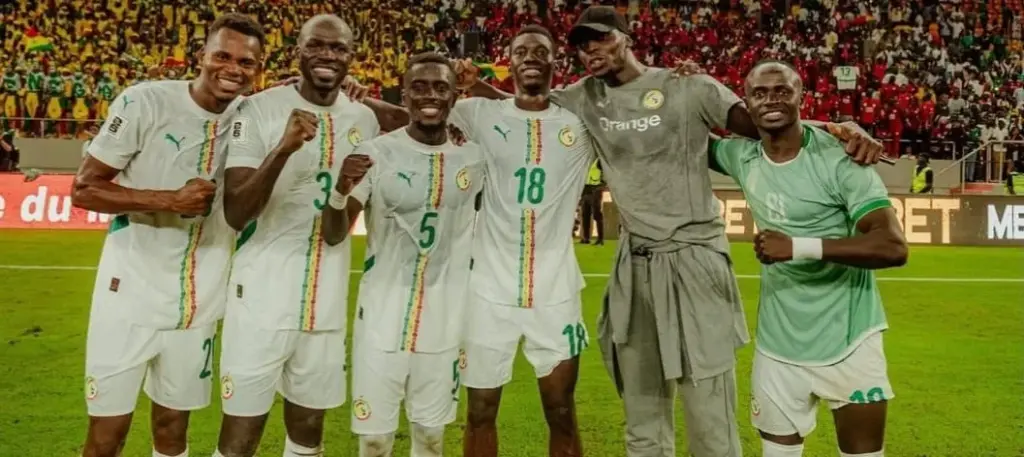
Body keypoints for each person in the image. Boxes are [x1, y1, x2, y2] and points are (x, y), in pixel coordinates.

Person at [457, 6, 884, 457]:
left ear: (627, 36)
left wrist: (838, 130)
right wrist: (474, 86)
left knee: (709, 417)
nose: (591, 51)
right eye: (583, 45)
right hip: (634, 263)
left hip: (694, 258)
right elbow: (529, 103)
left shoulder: (687, 86)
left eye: (601, 39)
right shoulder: (583, 97)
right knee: (642, 415)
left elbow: (766, 124)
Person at [355, 25, 595, 457]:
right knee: (480, 412)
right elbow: (411, 117)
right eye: (521, 50)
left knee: (561, 411)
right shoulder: (479, 113)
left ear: (556, 61)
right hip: (487, 291)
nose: (531, 57)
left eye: (541, 50)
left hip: (556, 291)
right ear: (510, 61)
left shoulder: (579, 123)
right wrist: (353, 96)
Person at [69, 13, 264, 457]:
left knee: (173, 429)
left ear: (258, 69)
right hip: (128, 298)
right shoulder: (144, 102)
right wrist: (169, 200)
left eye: (246, 62)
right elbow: (84, 188)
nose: (232, 68)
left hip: (198, 302)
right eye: (222, 56)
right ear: (202, 56)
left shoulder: (253, 115)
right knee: (107, 434)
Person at [709, 60, 906, 457]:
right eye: (760, 94)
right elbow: (676, 131)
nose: (771, 100)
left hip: (850, 338)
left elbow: (892, 246)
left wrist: (797, 246)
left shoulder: (842, 158)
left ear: (802, 96)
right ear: (745, 104)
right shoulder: (741, 156)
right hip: (778, 347)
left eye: (783, 91)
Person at [212, 15, 378, 457]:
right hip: (260, 300)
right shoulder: (259, 109)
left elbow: (338, 235)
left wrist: (342, 191)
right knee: (240, 436)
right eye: (317, 46)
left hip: (324, 301)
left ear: (351, 57)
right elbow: (235, 212)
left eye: (338, 48)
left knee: (307, 434)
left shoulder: (365, 121)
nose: (328, 55)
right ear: (298, 51)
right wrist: (282, 150)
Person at [347, 51, 486, 457]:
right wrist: (341, 190)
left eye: (441, 87)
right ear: (404, 95)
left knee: (430, 437)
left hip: (445, 318)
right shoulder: (374, 152)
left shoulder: (473, 158)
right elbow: (335, 231)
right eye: (420, 87)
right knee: (374, 440)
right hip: (381, 316)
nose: (431, 95)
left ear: (455, 96)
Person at [580, 158, 604, 245]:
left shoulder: (598, 160)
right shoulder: (585, 159)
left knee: (597, 214)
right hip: (585, 189)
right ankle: (586, 238)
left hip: (595, 189)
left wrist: (602, 184)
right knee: (585, 215)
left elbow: (605, 173)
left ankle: (600, 239)